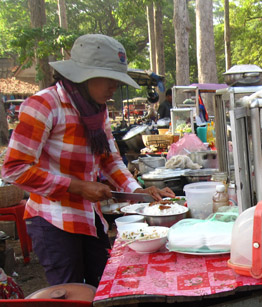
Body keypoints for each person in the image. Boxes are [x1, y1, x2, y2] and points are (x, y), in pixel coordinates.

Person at [1, 34, 175, 287]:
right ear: (83, 76)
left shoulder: (97, 110)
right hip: (52, 220)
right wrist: (78, 186)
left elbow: (109, 160)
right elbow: (14, 169)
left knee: (104, 286)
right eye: (110, 79)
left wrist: (138, 192)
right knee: (70, 296)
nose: (114, 87)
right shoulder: (44, 105)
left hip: (89, 217)